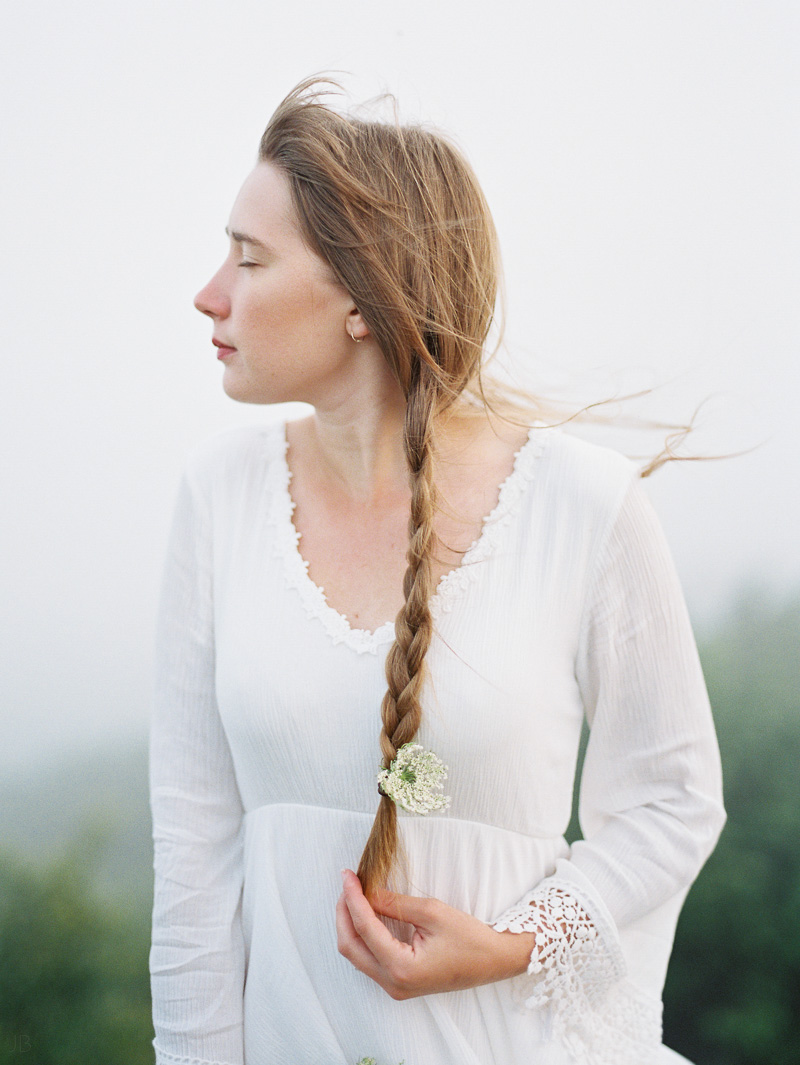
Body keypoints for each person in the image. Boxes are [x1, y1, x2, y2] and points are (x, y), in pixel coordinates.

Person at [148, 78, 726, 1065]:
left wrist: (514, 946)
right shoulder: (217, 497)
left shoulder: (584, 506)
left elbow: (673, 801)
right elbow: (195, 859)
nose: (209, 293)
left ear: (360, 299)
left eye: (248, 259)